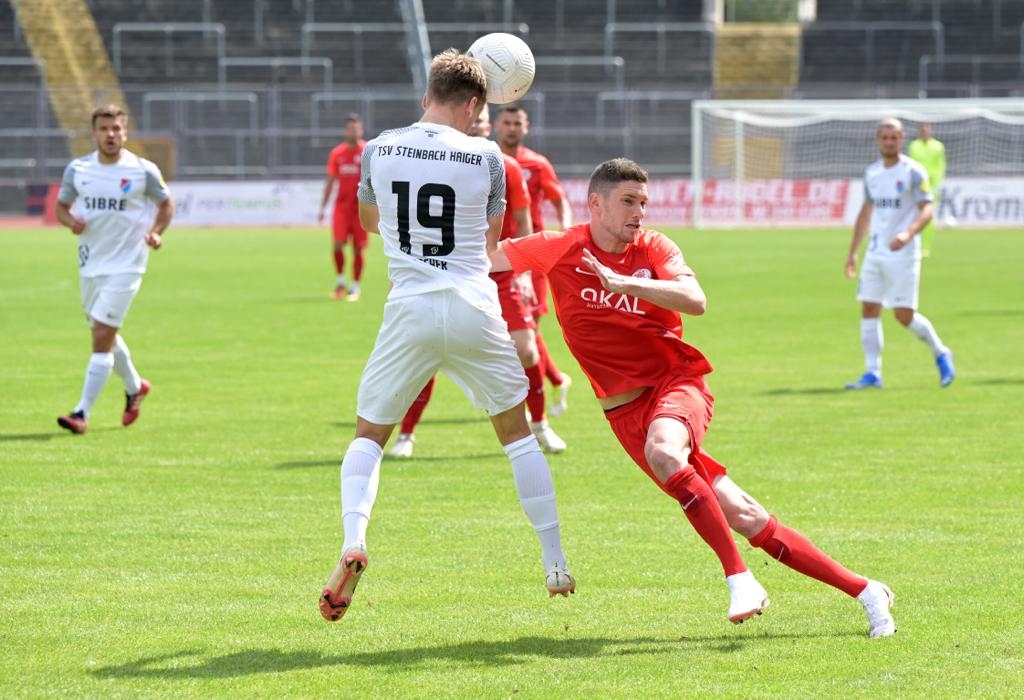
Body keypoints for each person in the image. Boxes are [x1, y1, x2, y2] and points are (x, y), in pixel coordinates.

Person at [489, 158, 896, 636]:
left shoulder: (655, 247)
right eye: (628, 201)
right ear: (595, 203)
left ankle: (740, 578)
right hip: (624, 415)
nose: (639, 212)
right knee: (745, 515)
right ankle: (866, 590)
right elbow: (486, 259)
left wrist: (626, 283)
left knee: (664, 451)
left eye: (643, 202)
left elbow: (695, 299)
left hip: (677, 384)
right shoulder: (560, 247)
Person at [319, 49, 575, 623]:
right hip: (473, 306)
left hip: (408, 307)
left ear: (426, 95)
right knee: (518, 437)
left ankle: (354, 541)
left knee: (368, 437)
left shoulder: (379, 147)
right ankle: (555, 561)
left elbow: (369, 222)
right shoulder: (489, 156)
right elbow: (491, 239)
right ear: (476, 105)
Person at [389, 106, 567, 459]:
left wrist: (525, 272)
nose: (473, 127)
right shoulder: (436, 163)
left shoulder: (507, 167)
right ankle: (406, 434)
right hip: (447, 272)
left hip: (498, 273)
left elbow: (522, 220)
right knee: (427, 349)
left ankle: (541, 424)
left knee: (527, 350)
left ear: (488, 128)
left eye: (480, 122)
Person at [54, 104, 174, 435]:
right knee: (103, 331)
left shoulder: (142, 170)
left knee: (101, 336)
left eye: (116, 129)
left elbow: (166, 203)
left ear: (125, 132)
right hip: (90, 264)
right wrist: (70, 222)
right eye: (104, 129)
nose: (111, 134)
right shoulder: (78, 170)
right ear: (94, 133)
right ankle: (136, 387)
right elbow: (61, 207)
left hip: (128, 265)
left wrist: (156, 232)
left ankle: (81, 413)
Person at [845, 118, 954, 390]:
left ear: (902, 139)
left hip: (903, 254)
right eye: (885, 137)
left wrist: (908, 234)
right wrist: (853, 252)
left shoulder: (913, 172)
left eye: (894, 137)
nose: (889, 142)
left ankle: (941, 352)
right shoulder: (872, 173)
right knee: (869, 307)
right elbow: (865, 213)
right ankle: (873, 373)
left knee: (903, 315)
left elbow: (927, 209)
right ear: (877, 139)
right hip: (875, 253)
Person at [494, 104, 573, 417]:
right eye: (507, 122)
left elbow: (558, 199)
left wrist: (565, 228)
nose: (512, 128)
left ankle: (529, 402)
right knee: (514, 334)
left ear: (526, 127)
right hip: (493, 256)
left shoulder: (537, 164)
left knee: (527, 329)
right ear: (497, 126)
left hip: (531, 257)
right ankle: (555, 380)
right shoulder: (485, 161)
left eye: (518, 123)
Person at [318, 114, 368, 301]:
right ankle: (340, 282)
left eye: (356, 129)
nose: (353, 132)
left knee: (358, 248)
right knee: (338, 244)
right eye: (350, 129)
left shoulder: (368, 152)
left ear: (361, 130)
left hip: (361, 209)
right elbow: (330, 181)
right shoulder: (337, 154)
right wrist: (323, 207)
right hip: (342, 208)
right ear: (345, 131)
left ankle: (355, 287)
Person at [906, 122, 947, 256]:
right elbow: (910, 165)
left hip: (931, 186)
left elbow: (940, 166)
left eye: (926, 129)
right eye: (922, 130)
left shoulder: (938, 146)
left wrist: (937, 185)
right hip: (916, 186)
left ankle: (925, 247)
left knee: (928, 216)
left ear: (930, 131)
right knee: (913, 215)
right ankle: (912, 243)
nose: (924, 132)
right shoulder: (914, 146)